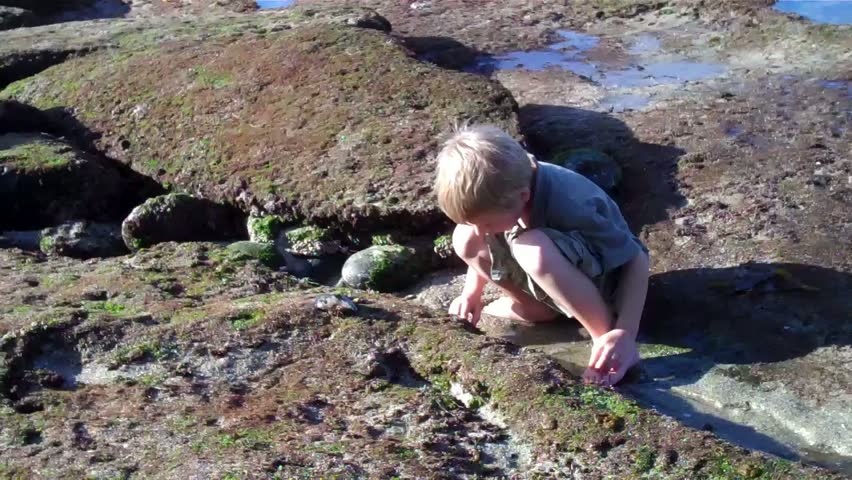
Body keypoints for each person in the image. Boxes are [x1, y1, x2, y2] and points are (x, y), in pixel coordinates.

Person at [433, 124, 649, 386]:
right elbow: (479, 235)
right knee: (463, 238)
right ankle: (536, 309)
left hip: (603, 281)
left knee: (532, 249)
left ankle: (604, 338)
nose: (482, 232)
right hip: (557, 267)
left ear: (523, 197)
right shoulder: (506, 191)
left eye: (487, 225)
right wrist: (471, 293)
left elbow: (636, 258)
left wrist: (625, 332)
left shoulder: (570, 202)